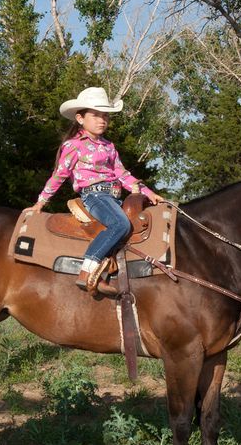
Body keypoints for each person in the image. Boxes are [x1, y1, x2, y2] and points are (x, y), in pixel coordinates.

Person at [30, 86, 160, 292]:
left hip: (115, 196)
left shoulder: (109, 146)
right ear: (80, 118)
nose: (102, 120)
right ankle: (87, 270)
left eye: (105, 116)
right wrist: (41, 202)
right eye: (96, 115)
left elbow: (122, 174)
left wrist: (148, 193)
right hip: (94, 195)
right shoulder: (74, 145)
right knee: (120, 224)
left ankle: (115, 271)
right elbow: (60, 174)